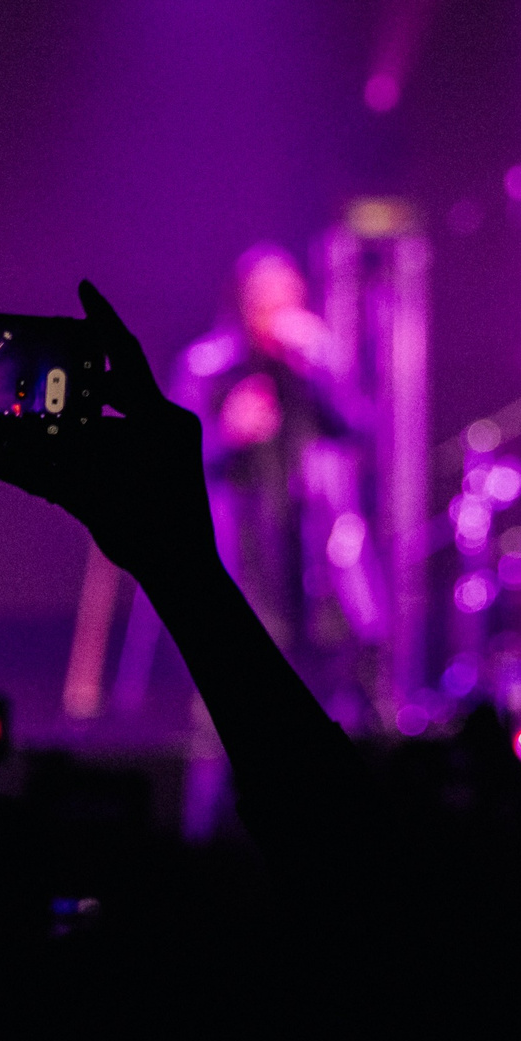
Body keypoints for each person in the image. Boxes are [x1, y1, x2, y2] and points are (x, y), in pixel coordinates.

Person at [175, 246, 365, 734]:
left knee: (320, 680)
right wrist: (225, 434)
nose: (278, 312)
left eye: (288, 299)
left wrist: (320, 369)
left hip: (309, 550)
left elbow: (357, 431)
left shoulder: (309, 366)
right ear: (243, 304)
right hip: (237, 548)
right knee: (240, 688)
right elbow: (173, 463)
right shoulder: (209, 367)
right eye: (266, 300)